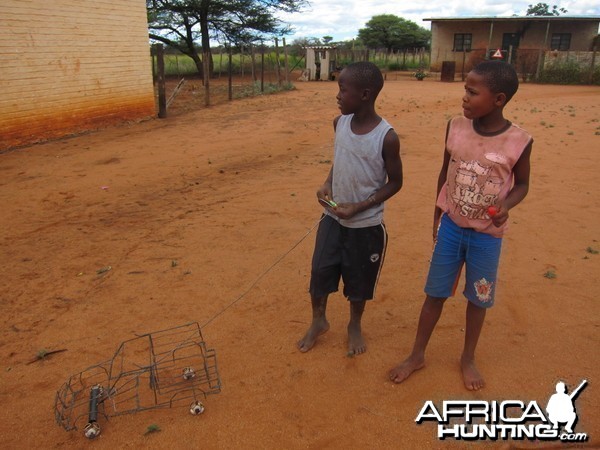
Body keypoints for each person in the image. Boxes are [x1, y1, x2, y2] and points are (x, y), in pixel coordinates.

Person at [388, 60, 533, 390]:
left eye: (472, 91)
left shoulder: (519, 140)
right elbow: (445, 170)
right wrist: (437, 213)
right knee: (434, 293)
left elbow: (523, 183)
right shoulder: (455, 126)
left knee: (478, 299)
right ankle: (417, 354)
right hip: (452, 227)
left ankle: (467, 357)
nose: (464, 97)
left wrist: (506, 205)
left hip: (487, 236)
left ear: (498, 99)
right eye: (464, 90)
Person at [297, 61, 403, 356]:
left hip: (365, 226)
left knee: (359, 280)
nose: (338, 95)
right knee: (319, 271)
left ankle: (354, 324)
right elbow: (341, 159)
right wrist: (327, 183)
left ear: (365, 94)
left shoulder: (386, 137)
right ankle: (319, 319)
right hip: (332, 217)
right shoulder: (339, 123)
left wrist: (359, 206)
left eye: (343, 90)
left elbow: (395, 183)